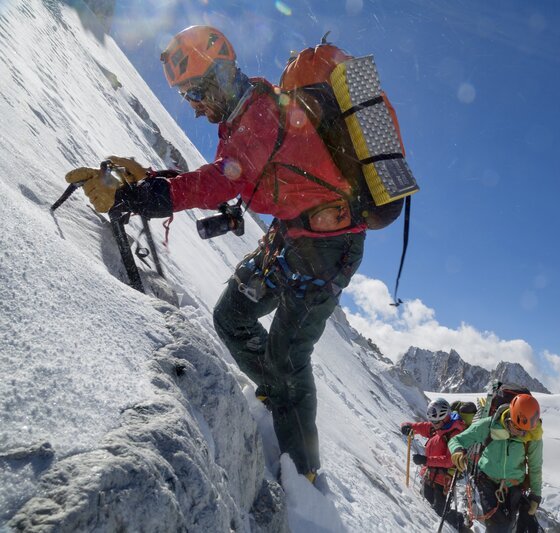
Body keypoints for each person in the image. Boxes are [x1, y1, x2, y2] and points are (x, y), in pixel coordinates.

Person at [63, 25, 368, 483]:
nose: (193, 107)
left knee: (288, 359)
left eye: (193, 93)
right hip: (291, 238)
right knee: (232, 316)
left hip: (329, 248)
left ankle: (304, 474)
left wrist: (148, 195)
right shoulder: (242, 117)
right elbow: (227, 173)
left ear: (215, 80)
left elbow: (222, 181)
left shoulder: (261, 112)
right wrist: (149, 180)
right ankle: (276, 395)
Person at [448, 394, 543, 533]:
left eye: (525, 431)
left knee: (508, 525)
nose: (522, 434)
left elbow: (535, 467)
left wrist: (536, 496)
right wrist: (457, 451)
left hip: (514, 485)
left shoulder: (532, 435)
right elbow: (457, 440)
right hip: (487, 481)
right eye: (518, 429)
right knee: (498, 527)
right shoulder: (489, 425)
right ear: (510, 417)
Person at [401, 398, 469, 532]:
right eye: (432, 421)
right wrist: (406, 426)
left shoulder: (454, 433)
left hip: (443, 481)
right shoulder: (436, 427)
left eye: (436, 422)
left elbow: (449, 461)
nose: (433, 424)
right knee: (428, 503)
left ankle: (461, 527)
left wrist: (426, 460)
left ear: (445, 418)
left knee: (441, 510)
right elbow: (418, 427)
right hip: (429, 475)